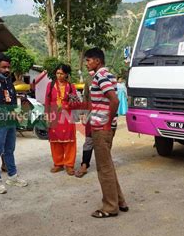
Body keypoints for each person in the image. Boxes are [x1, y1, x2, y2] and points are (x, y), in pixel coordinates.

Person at [84, 47, 128, 218]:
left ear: (97, 61)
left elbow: (114, 100)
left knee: (104, 168)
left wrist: (107, 124)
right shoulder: (107, 75)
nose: (87, 63)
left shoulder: (100, 76)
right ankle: (119, 201)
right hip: (105, 126)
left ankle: (110, 207)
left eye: (88, 60)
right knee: (107, 165)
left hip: (102, 127)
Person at [0, 53, 27, 194]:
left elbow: (14, 99)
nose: (7, 69)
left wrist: (17, 112)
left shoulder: (9, 81)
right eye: (3, 67)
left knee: (10, 149)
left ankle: (12, 176)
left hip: (10, 121)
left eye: (8, 67)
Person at [45, 64, 77, 176]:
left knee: (69, 141)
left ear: (67, 74)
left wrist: (69, 105)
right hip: (54, 114)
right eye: (57, 73)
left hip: (67, 116)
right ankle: (58, 164)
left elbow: (75, 102)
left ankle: (69, 165)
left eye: (62, 73)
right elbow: (47, 101)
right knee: (55, 141)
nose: (59, 75)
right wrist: (46, 115)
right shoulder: (50, 85)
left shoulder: (71, 86)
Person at [75, 69, 95, 178]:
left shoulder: (108, 78)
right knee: (88, 140)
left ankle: (105, 165)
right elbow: (86, 97)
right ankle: (84, 164)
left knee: (103, 143)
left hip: (103, 116)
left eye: (89, 60)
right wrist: (83, 113)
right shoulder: (89, 80)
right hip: (91, 116)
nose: (87, 64)